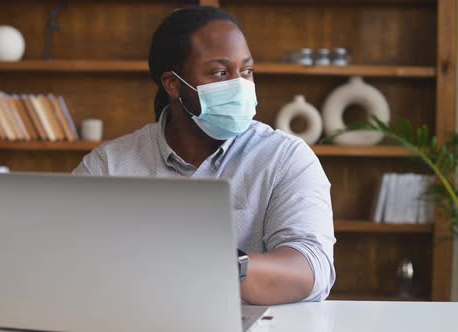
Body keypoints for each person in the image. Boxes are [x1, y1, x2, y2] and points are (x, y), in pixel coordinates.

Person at [73, 6, 335, 305]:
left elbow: (311, 269)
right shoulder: (108, 165)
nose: (239, 85)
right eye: (220, 72)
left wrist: (218, 265)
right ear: (173, 84)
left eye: (246, 70)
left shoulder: (286, 158)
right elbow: (68, 259)